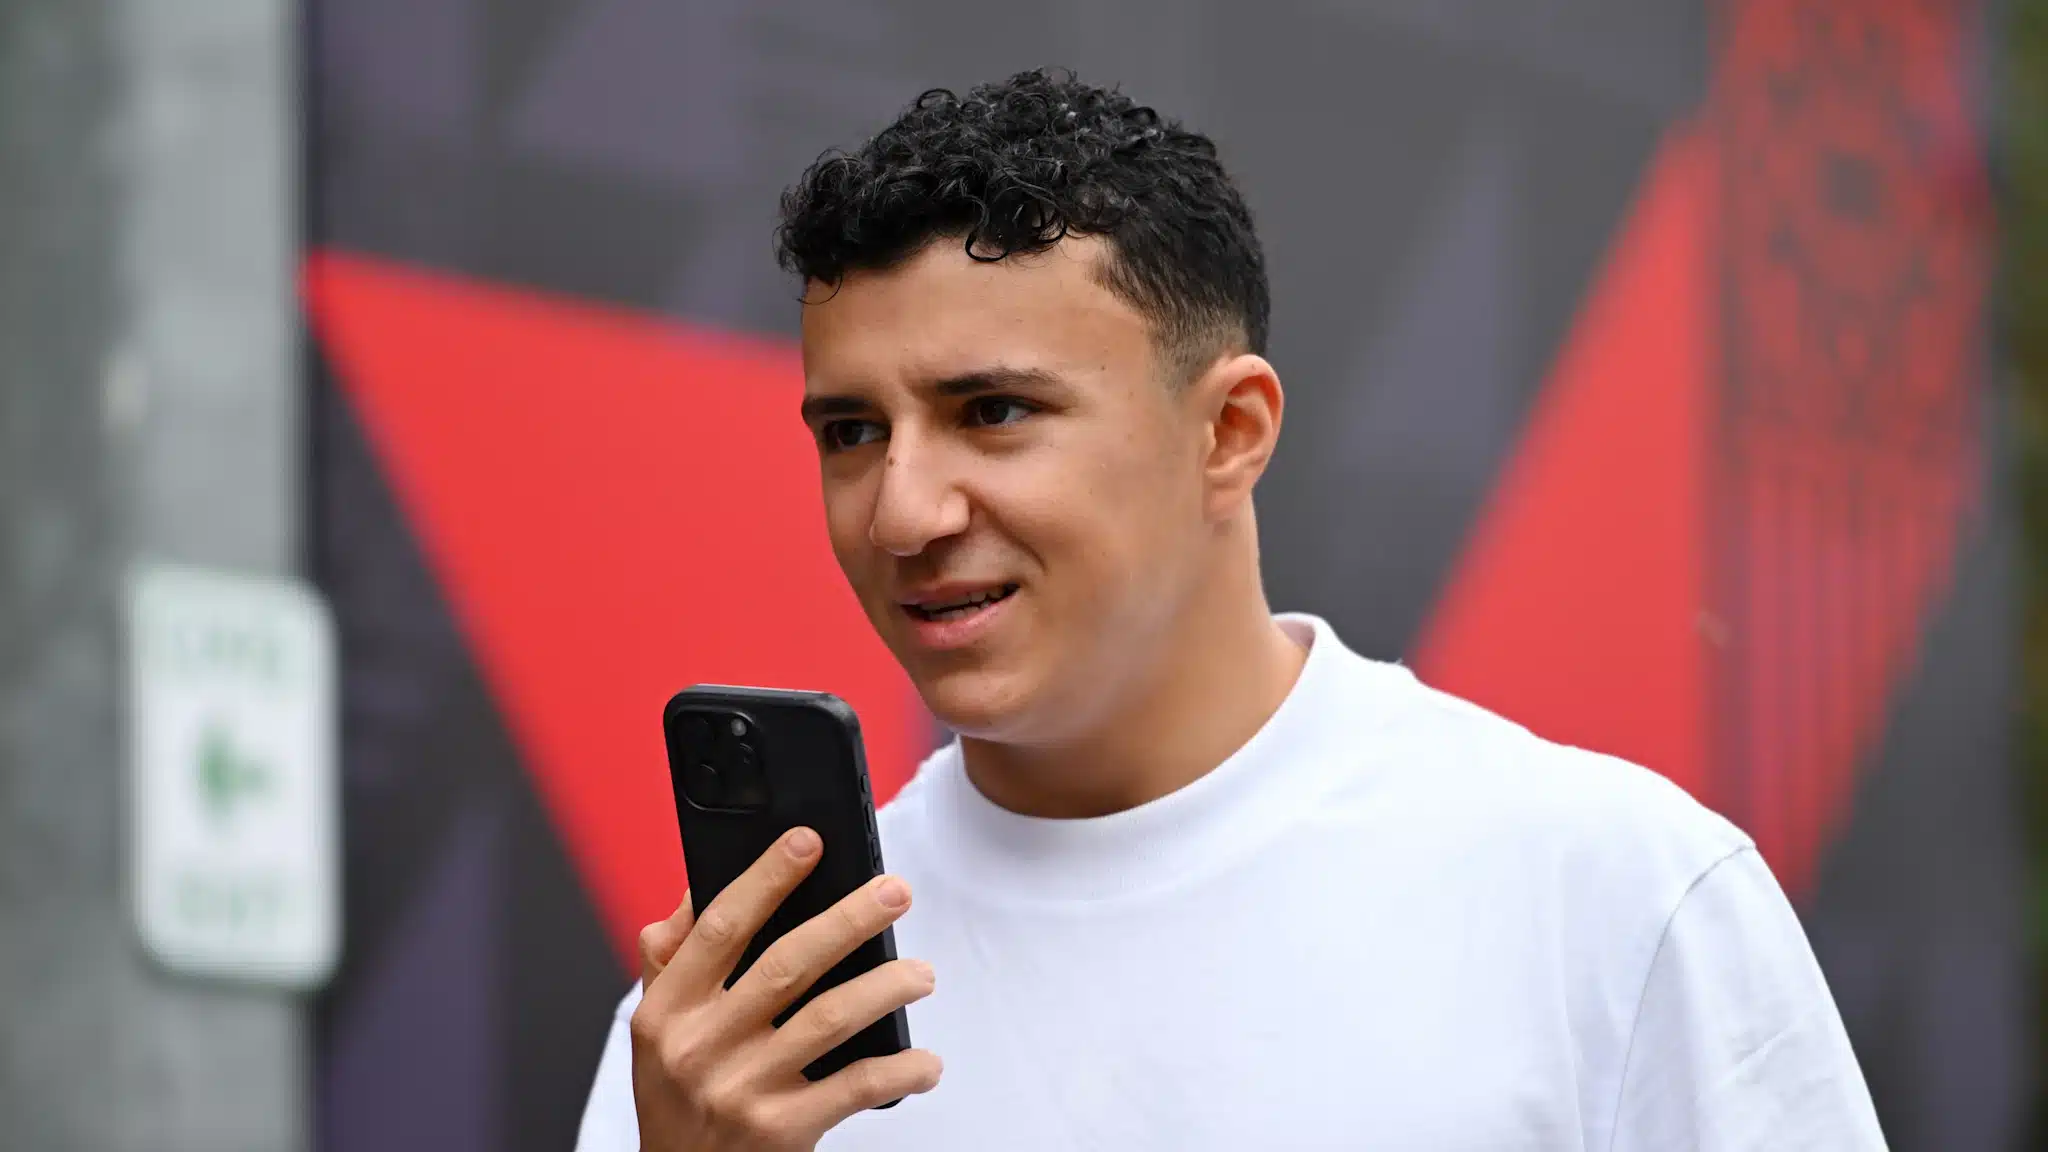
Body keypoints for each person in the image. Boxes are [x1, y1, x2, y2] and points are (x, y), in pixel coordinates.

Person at [575, 69, 1884, 1151]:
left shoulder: (1613, 895)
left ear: (1231, 432)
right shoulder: (739, 1026)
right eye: (852, 431)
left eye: (995, 411)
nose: (901, 513)